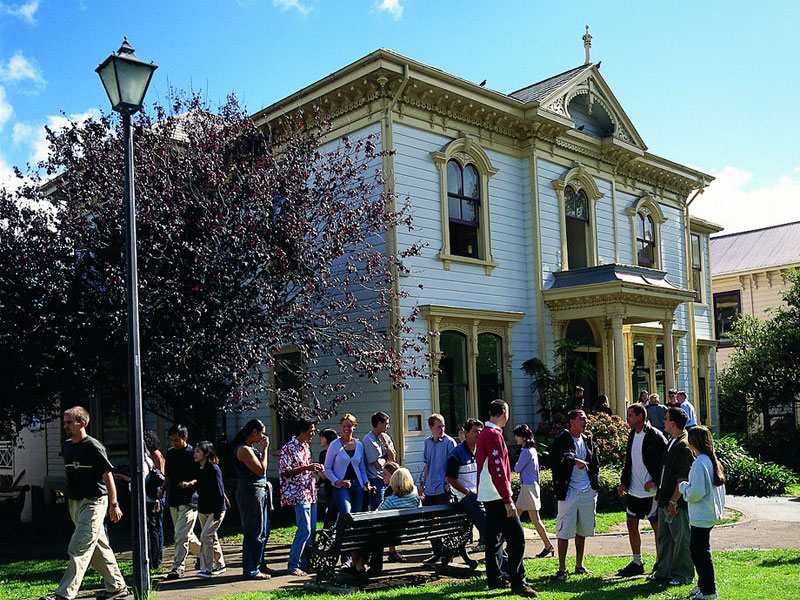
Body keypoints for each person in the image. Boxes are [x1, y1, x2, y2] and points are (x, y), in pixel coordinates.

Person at [39, 407, 128, 600]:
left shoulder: (93, 446)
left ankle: (64, 594)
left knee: (79, 546)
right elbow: (70, 474)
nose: (65, 426)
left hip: (95, 501)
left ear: (82, 423)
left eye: (69, 422)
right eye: (64, 422)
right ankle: (117, 587)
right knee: (98, 548)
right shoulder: (67, 446)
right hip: (76, 503)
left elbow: (108, 476)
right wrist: (70, 499)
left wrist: (114, 504)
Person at [476, 400, 538, 598]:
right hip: (496, 495)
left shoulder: (485, 433)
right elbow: (498, 470)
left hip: (487, 493)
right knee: (517, 539)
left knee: (493, 539)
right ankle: (518, 582)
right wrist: (507, 498)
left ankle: (494, 579)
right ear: (503, 413)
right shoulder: (494, 435)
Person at [617, 403, 667, 576]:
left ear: (640, 417)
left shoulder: (655, 435)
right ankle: (637, 562)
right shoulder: (632, 434)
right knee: (631, 523)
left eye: (630, 415)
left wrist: (654, 480)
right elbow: (629, 461)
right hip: (634, 489)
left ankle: (660, 563)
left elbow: (665, 462)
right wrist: (624, 482)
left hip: (651, 492)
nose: (627, 418)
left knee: (656, 525)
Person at [551, 409, 600, 581]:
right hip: (568, 492)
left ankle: (579, 565)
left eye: (586, 418)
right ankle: (562, 569)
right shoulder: (562, 439)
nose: (585, 421)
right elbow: (556, 459)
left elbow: (595, 463)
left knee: (582, 530)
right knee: (564, 531)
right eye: (582, 419)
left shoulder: (588, 440)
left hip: (587, 491)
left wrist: (595, 487)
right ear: (571, 421)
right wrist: (573, 460)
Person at [649, 407, 695, 585]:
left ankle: (682, 575)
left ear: (673, 423)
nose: (663, 422)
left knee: (680, 539)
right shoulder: (672, 441)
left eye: (666, 419)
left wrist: (674, 501)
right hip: (665, 499)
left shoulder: (683, 445)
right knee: (665, 538)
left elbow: (682, 478)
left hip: (676, 503)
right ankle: (664, 572)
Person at [680, 426, 726, 600]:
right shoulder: (709, 460)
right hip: (708, 513)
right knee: (699, 551)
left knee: (700, 553)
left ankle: (709, 591)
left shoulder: (700, 463)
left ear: (693, 442)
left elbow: (696, 492)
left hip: (702, 515)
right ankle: (703, 585)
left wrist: (683, 487)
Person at [350, 467, 422, 576]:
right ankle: (361, 564)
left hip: (388, 534)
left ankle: (360, 564)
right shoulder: (415, 498)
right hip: (404, 532)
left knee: (367, 534)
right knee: (376, 535)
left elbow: (376, 513)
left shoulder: (391, 500)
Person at [279, 418, 324, 577]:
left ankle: (306, 563)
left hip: (309, 491)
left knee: (311, 530)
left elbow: (307, 469)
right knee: (304, 529)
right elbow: (285, 471)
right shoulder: (288, 448)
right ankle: (293, 564)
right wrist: (308, 467)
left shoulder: (306, 446)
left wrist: (316, 470)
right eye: (311, 430)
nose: (313, 433)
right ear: (302, 430)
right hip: (297, 493)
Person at [232, 419, 272, 580]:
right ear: (254, 432)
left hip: (258, 490)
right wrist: (265, 450)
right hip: (251, 490)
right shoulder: (243, 450)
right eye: (261, 432)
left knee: (262, 529)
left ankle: (259, 564)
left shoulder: (249, 448)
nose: (263, 436)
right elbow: (261, 470)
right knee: (254, 530)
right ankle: (251, 569)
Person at [162, 424, 201, 580]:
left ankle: (178, 567)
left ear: (185, 438)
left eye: (176, 440)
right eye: (171, 440)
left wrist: (189, 483)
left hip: (191, 499)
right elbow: (168, 476)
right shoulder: (170, 454)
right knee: (186, 535)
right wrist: (162, 490)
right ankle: (207, 555)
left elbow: (201, 475)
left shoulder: (194, 453)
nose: (173, 443)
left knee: (180, 534)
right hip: (174, 499)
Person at [445, 419, 488, 552]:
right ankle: (499, 555)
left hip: (480, 494)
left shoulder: (480, 450)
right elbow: (449, 478)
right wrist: (467, 492)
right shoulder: (457, 454)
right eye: (475, 431)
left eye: (480, 431)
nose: (478, 434)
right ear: (466, 433)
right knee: (488, 527)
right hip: (465, 497)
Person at [421, 413, 457, 565]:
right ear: (431, 428)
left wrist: (448, 482)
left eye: (443, 426)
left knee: (445, 522)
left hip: (443, 488)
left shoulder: (449, 443)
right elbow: (427, 464)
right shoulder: (427, 442)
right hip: (430, 488)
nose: (441, 429)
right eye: (438, 426)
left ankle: (448, 553)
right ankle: (437, 553)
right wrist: (423, 483)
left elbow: (453, 465)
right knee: (431, 522)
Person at [513, 424, 554, 559]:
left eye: (517, 435)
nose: (515, 438)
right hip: (530, 486)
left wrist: (514, 465)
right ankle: (509, 544)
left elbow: (517, 468)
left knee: (534, 519)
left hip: (528, 487)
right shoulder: (532, 450)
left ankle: (548, 545)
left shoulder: (526, 452)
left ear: (524, 437)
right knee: (516, 515)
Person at [187, 441, 226, 578]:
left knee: (205, 536)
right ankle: (220, 564)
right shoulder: (199, 469)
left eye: (198, 451)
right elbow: (200, 484)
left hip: (216, 510)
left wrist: (216, 513)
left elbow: (220, 492)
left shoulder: (214, 469)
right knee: (211, 537)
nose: (195, 454)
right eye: (195, 451)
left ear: (206, 453)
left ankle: (206, 568)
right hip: (203, 509)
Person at [323, 413, 369, 518]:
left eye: (349, 426)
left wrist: (366, 483)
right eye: (344, 426)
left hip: (357, 485)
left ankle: (352, 534)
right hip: (341, 486)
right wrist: (337, 481)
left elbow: (362, 468)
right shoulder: (334, 445)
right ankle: (342, 533)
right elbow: (327, 468)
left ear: (354, 426)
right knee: (346, 514)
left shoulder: (359, 445)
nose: (346, 429)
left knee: (357, 516)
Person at [362, 411, 396, 510]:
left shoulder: (386, 437)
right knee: (379, 508)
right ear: (379, 424)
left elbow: (393, 459)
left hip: (389, 479)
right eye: (386, 424)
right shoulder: (369, 440)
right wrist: (386, 458)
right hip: (376, 480)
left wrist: (386, 444)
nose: (388, 426)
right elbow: (377, 464)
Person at [144, 430, 165, 570]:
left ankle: (158, 559)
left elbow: (160, 476)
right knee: (156, 528)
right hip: (155, 494)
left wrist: (159, 497)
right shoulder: (150, 456)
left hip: (157, 495)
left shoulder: (155, 455)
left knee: (157, 528)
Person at [317, 428, 339, 529]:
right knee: (332, 512)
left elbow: (324, 474)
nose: (320, 439)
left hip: (334, 487)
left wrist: (316, 470)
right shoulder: (325, 454)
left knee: (332, 513)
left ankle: (327, 534)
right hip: (331, 487)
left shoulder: (330, 453)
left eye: (322, 436)